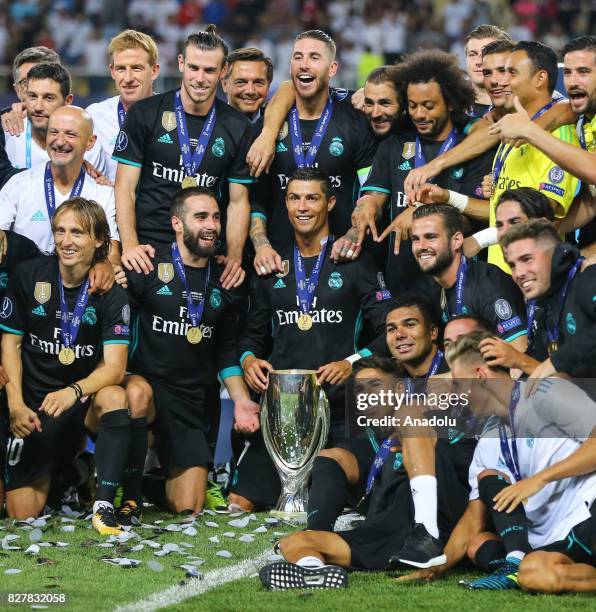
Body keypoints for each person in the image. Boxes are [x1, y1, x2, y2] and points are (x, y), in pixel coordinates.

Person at [230, 168, 391, 511]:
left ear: (331, 203)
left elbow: (388, 332)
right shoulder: (271, 265)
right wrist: (248, 360)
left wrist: (351, 363)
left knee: (336, 495)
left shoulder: (353, 260)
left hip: (340, 407)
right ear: (286, 204)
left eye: (312, 198)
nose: (303, 206)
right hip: (285, 411)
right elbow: (252, 335)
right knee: (239, 501)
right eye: (295, 198)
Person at [404, 330, 596, 593]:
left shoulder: (545, 393)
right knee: (518, 566)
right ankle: (521, 563)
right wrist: (439, 565)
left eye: (459, 385)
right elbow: (474, 518)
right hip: (554, 535)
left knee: (532, 571)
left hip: (588, 512)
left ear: (481, 376)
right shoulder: (489, 439)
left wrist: (537, 480)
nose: (456, 396)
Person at [122, 186, 258, 517]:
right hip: (149, 387)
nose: (211, 225)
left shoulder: (227, 279)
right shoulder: (147, 266)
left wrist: (241, 402)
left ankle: (149, 483)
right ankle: (123, 491)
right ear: (177, 224)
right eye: (200, 217)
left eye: (215, 217)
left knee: (189, 506)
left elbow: (226, 351)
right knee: (135, 397)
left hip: (194, 398)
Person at [0, 197, 131, 535]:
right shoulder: (28, 275)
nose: (66, 241)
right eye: (60, 231)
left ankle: (103, 507)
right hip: (32, 405)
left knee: (116, 396)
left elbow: (115, 367)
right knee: (20, 514)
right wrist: (15, 404)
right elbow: (11, 344)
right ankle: (77, 472)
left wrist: (73, 391)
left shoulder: (111, 293)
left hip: (77, 403)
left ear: (99, 240)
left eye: (77, 233)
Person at [419, 41, 581, 273]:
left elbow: (544, 214)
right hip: (502, 271)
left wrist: (480, 239)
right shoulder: (512, 130)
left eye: (510, 72)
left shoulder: (558, 135)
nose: (503, 81)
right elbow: (499, 214)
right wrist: (448, 197)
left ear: (539, 78)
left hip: (536, 271)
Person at [113, 25, 254, 290]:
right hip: (148, 247)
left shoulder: (238, 127)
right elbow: (124, 187)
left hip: (204, 247)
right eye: (194, 68)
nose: (200, 78)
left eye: (210, 70)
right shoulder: (144, 113)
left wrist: (234, 257)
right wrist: (130, 245)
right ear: (181, 63)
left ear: (223, 71)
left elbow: (238, 202)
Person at [345, 50, 493, 294]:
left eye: (428, 106)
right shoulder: (394, 146)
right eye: (413, 106)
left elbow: (475, 218)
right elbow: (375, 195)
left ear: (451, 103)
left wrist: (418, 215)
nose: (419, 114)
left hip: (458, 284)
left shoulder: (472, 148)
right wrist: (367, 207)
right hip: (403, 283)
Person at [249, 30, 376, 277]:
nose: (304, 64)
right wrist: (261, 244)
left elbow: (370, 189)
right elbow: (255, 197)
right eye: (298, 57)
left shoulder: (355, 121)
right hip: (277, 262)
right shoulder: (268, 125)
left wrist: (354, 233)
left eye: (314, 57)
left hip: (342, 257)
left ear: (332, 68)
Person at [489, 35, 596, 253]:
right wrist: (545, 234)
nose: (573, 81)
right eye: (567, 73)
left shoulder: (559, 128)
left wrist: (530, 131)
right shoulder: (584, 122)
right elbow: (591, 201)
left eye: (583, 72)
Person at [0, 106, 119, 263]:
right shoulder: (18, 184)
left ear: (90, 142)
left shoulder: (103, 193)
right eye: (54, 132)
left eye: (70, 134)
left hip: (79, 284)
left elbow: (112, 251)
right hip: (26, 282)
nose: (60, 141)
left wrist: (107, 266)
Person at [410, 204, 527, 349]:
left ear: (457, 240)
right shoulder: (433, 291)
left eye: (431, 237)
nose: (421, 246)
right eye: (415, 239)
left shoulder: (488, 284)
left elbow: (519, 351)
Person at [501, 218, 596, 381]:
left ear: (557, 257)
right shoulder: (544, 309)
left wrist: (557, 361)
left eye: (527, 259)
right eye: (513, 265)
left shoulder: (588, 279)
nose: (518, 273)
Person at [86, 30, 160, 182]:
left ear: (154, 71)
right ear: (112, 72)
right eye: (121, 69)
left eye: (136, 68)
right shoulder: (95, 115)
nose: (128, 78)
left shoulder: (173, 115)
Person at [3, 62, 105, 171]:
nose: (38, 107)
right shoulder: (7, 133)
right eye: (32, 96)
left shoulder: (87, 147)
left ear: (67, 101)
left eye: (49, 98)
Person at [463, 24, 513, 117]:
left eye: (486, 54)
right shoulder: (450, 105)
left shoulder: (524, 106)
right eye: (473, 54)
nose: (479, 61)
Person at [221, 47, 273, 122]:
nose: (250, 91)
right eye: (241, 82)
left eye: (258, 82)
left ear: (268, 85)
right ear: (224, 84)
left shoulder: (280, 124)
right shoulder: (207, 127)